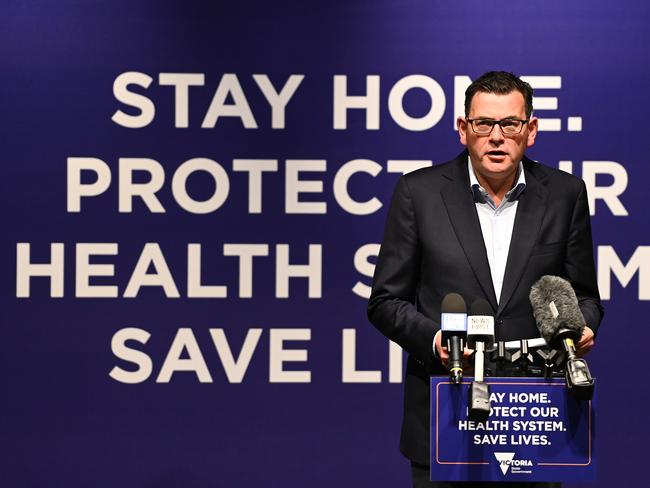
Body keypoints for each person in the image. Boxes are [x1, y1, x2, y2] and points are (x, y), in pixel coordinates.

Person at [367, 71, 603, 488]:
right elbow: (386, 302)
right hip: (447, 408)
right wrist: (436, 341)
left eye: (509, 124)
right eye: (483, 124)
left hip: (535, 415)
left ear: (530, 131)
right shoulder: (417, 193)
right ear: (463, 129)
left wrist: (581, 325)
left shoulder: (566, 194)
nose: (497, 136)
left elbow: (584, 296)